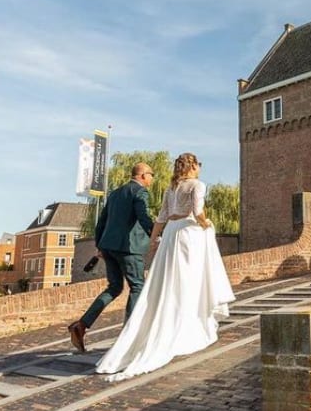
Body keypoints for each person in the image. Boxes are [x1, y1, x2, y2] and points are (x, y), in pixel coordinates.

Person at [95, 153, 236, 382]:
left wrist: (153, 243)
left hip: (171, 233)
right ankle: (188, 326)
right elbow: (198, 211)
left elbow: (161, 218)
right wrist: (207, 224)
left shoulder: (171, 188)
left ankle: (172, 324)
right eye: (198, 165)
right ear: (192, 167)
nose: (200, 168)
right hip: (188, 234)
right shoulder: (197, 185)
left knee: (168, 283)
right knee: (189, 282)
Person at [68, 162, 156, 353]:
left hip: (109, 247)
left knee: (115, 287)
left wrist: (100, 245)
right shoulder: (139, 192)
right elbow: (143, 216)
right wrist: (156, 233)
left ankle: (81, 325)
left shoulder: (115, 193)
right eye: (151, 175)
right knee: (138, 286)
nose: (152, 179)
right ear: (142, 175)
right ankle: (129, 335)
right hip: (128, 248)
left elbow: (101, 222)